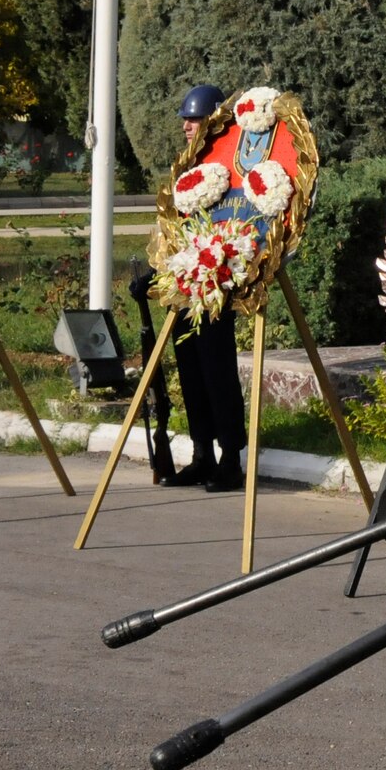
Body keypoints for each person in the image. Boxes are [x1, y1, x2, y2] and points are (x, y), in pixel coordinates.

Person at [146, 82, 247, 492]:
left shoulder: (228, 164)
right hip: (185, 280)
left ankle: (230, 459)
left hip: (218, 281)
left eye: (195, 119)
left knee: (217, 370)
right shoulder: (187, 165)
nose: (187, 126)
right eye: (186, 120)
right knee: (189, 371)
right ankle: (201, 454)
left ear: (213, 121)